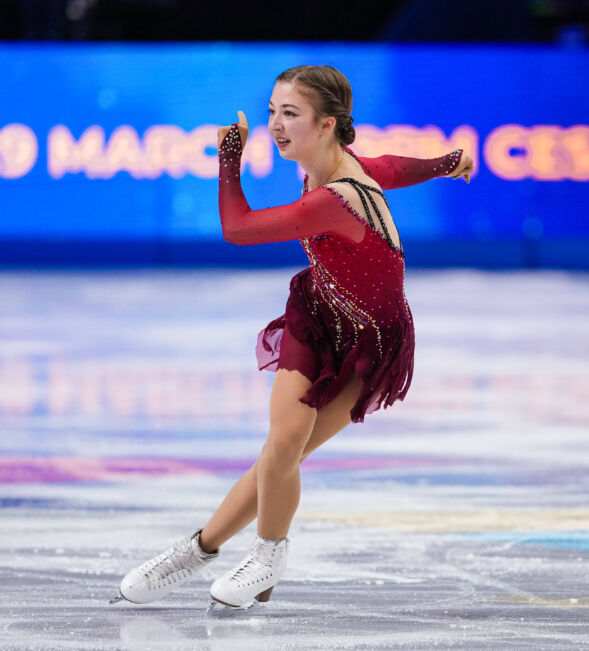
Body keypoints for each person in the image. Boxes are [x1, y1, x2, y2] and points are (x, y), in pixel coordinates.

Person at [112, 65, 473, 609]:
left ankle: (220, 553)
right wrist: (447, 162)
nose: (276, 126)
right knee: (281, 445)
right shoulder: (334, 166)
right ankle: (222, 556)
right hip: (317, 314)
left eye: (291, 114)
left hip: (370, 342)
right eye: (272, 112)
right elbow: (391, 167)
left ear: (327, 124)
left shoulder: (334, 198)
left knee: (280, 454)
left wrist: (230, 159)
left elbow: (239, 229)